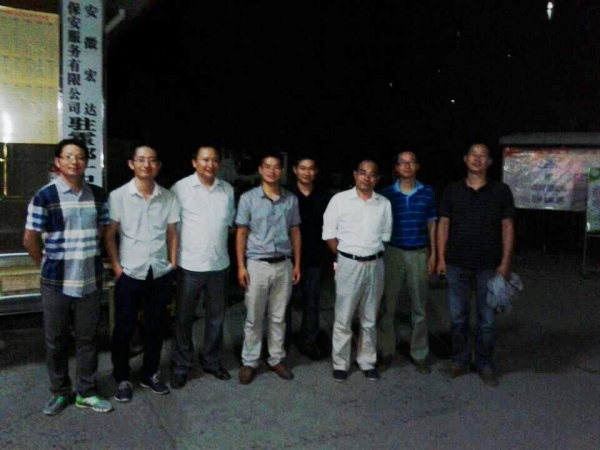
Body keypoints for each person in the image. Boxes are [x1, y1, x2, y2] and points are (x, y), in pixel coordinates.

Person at [23, 138, 114, 415]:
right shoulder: (45, 196)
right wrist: (44, 263)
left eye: (80, 157)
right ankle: (60, 391)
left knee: (88, 339)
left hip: (90, 278)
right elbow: (30, 239)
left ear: (86, 162)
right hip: (56, 282)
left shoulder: (98, 195)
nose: (74, 161)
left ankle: (85, 392)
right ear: (58, 162)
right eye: (68, 156)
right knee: (56, 340)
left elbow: (103, 231)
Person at [436, 143, 515, 387]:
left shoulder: (501, 191)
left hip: (488, 266)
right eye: (473, 155)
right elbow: (443, 224)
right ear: (465, 159)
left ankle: (484, 363)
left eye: (483, 156)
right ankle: (459, 360)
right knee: (457, 317)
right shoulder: (452, 190)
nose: (478, 159)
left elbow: (507, 227)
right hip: (456, 264)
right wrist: (440, 258)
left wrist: (505, 262)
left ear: (489, 162)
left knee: (487, 319)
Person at [105, 145, 180, 402]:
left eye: (151, 160)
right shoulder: (118, 196)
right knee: (124, 329)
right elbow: (110, 235)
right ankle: (122, 377)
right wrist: (117, 268)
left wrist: (172, 264)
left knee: (156, 327)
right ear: (131, 164)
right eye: (141, 160)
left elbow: (172, 233)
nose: (146, 165)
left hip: (159, 271)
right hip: (130, 272)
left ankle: (150, 373)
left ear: (157, 166)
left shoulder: (168, 197)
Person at [170, 145, 236, 389]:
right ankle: (181, 365)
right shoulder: (180, 188)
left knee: (216, 318)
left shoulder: (227, 189)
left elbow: (229, 225)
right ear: (194, 162)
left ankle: (212, 361)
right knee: (184, 319)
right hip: (189, 265)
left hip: (219, 265)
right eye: (205, 160)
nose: (210, 165)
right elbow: (172, 228)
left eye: (214, 160)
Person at [322, 160, 392, 382]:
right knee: (343, 317)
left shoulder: (384, 204)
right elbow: (329, 234)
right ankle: (340, 363)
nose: (366, 178)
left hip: (375, 264)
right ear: (355, 175)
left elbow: (385, 236)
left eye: (372, 174)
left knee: (370, 317)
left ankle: (367, 361)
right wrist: (346, 256)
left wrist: (368, 253)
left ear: (377, 179)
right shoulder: (339, 200)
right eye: (363, 173)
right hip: (348, 264)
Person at [236, 152, 301, 385]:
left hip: (283, 264)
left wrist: (297, 264)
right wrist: (241, 266)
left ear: (281, 171)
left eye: (276, 167)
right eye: (267, 166)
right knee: (254, 317)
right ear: (260, 170)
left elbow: (295, 231)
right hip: (257, 265)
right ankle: (250, 361)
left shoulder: (290, 199)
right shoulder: (248, 199)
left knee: (278, 316)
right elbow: (241, 233)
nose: (272, 171)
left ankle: (276, 358)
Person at [377, 151, 437, 374]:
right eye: (402, 162)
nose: (407, 166)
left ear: (417, 166)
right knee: (387, 306)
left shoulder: (428, 192)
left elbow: (432, 223)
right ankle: (386, 352)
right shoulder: (386, 194)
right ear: (396, 168)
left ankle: (419, 353)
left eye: (411, 162)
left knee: (419, 307)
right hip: (392, 252)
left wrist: (434, 254)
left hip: (419, 253)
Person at [285, 156, 331, 360]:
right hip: (287, 257)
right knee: (283, 304)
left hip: (315, 258)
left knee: (312, 302)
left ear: (316, 172)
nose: (306, 172)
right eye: (302, 168)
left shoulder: (325, 196)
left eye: (311, 169)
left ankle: (309, 341)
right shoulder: (286, 194)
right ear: (295, 170)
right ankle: (282, 342)